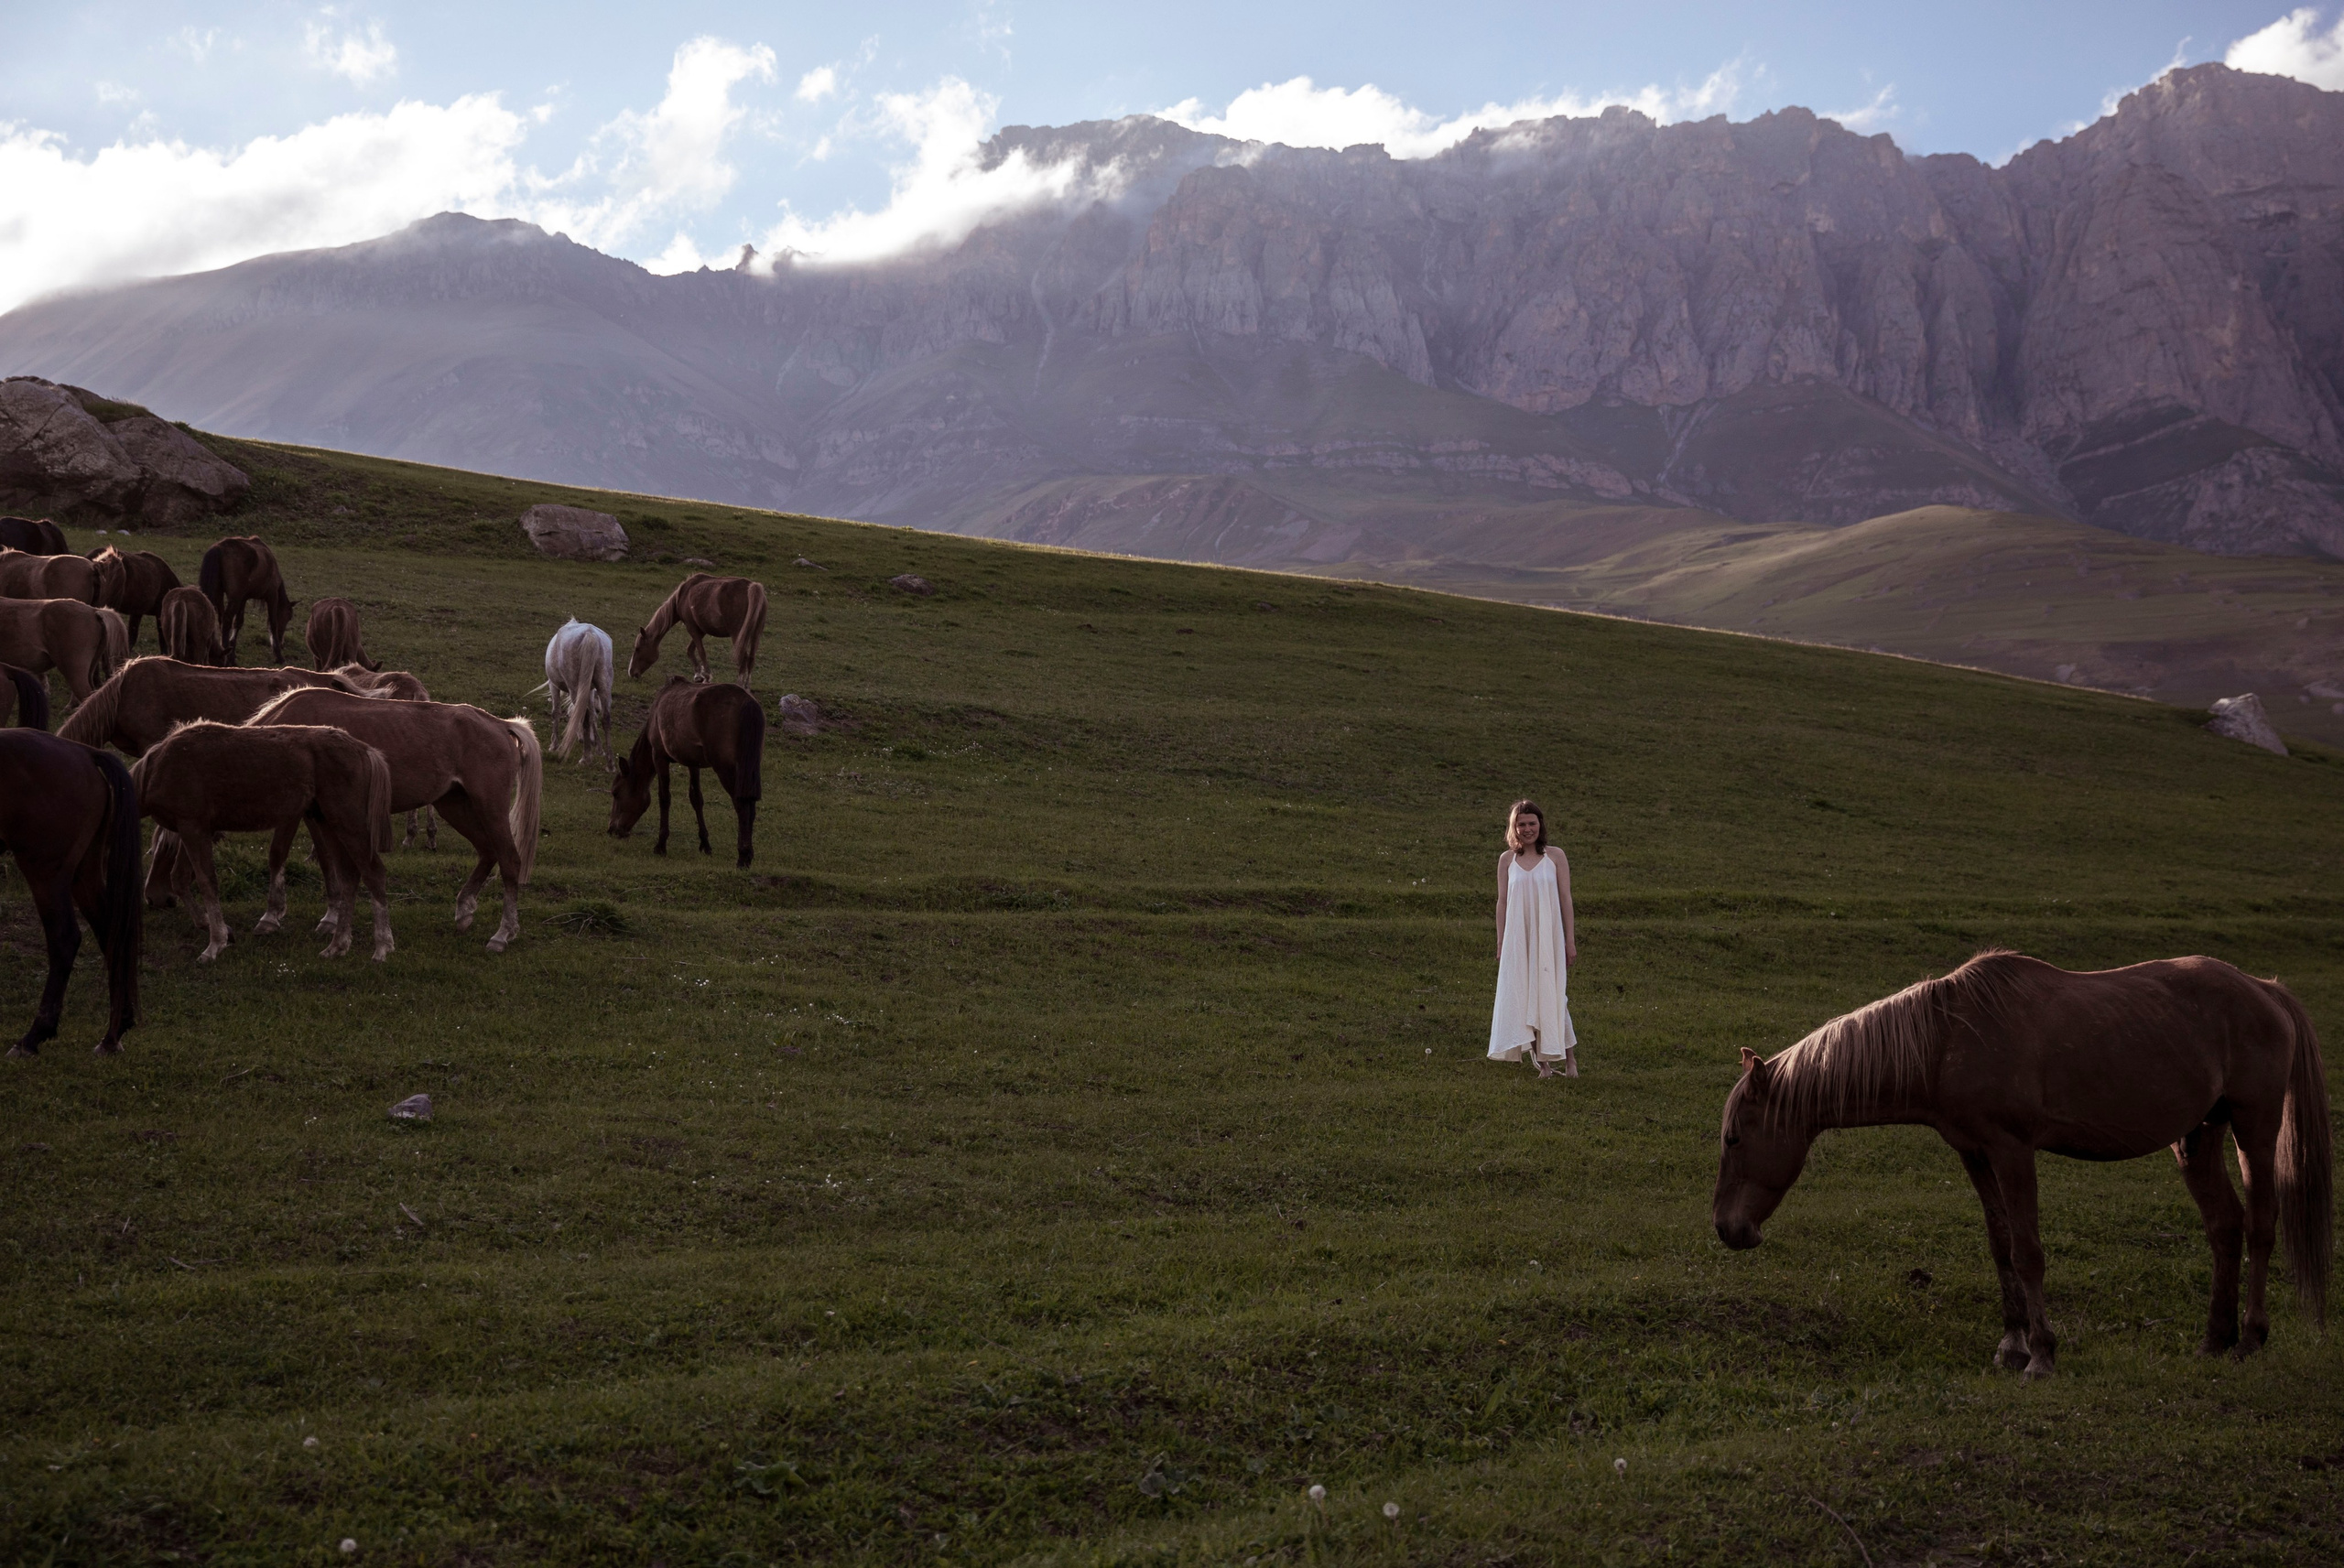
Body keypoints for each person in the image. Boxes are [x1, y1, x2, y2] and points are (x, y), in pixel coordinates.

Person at [1489, 797, 1579, 1077]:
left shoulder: (1555, 856)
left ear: (1540, 825)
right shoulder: (1507, 860)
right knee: (1526, 995)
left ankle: (1570, 1061)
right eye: (1521, 824)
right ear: (1513, 828)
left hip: (1548, 938)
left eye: (1532, 823)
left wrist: (1570, 940)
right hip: (1518, 939)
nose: (1528, 829)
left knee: (1552, 996)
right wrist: (1501, 941)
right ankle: (1544, 1066)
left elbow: (1566, 899)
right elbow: (1502, 902)